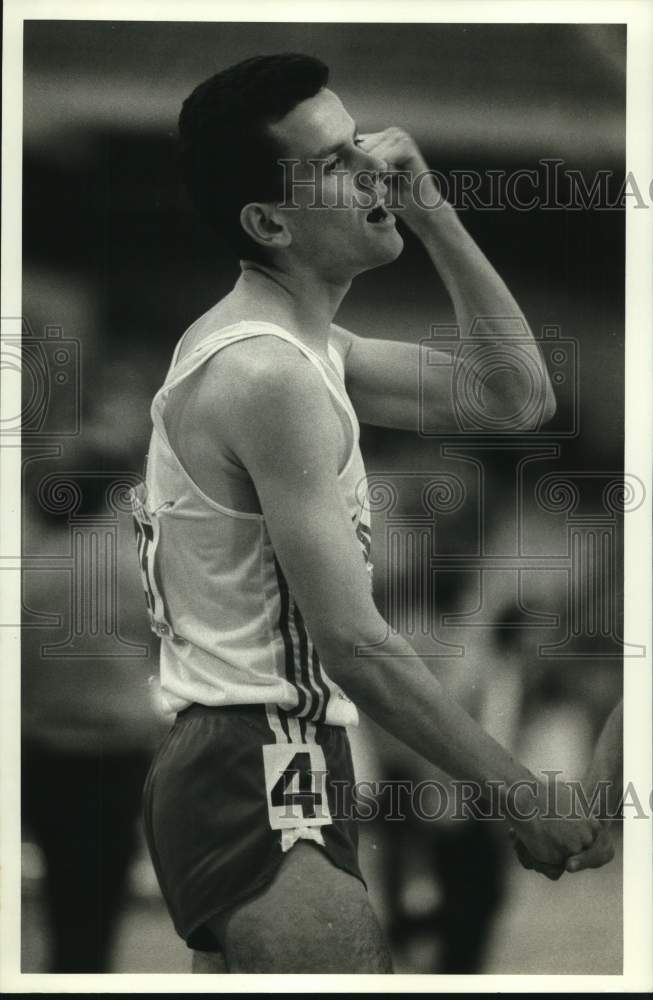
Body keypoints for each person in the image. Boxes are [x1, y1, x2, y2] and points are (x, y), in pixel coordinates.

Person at [133, 53, 614, 974]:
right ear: (270, 221)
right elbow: (354, 640)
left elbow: (515, 400)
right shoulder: (267, 374)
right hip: (256, 752)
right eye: (333, 163)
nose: (374, 169)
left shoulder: (317, 351)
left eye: (359, 142)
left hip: (278, 750)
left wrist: (433, 212)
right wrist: (516, 792)